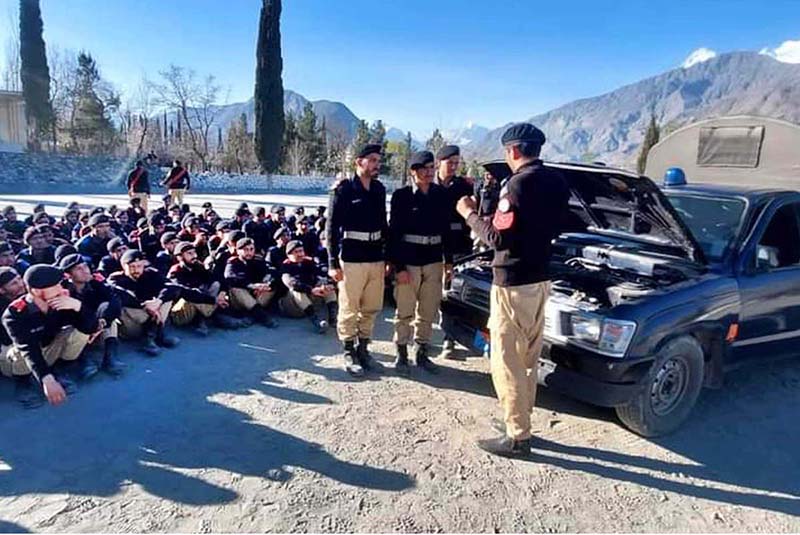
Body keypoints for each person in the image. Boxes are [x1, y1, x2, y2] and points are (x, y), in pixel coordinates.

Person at [455, 123, 570, 458]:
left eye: (507, 152)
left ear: (514, 151)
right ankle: (520, 421)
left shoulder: (517, 185)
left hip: (513, 282)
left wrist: (469, 214)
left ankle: (518, 436)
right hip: (540, 280)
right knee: (529, 358)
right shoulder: (557, 181)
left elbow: (497, 238)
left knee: (506, 360)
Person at [326, 143, 388, 377]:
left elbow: (383, 223)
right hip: (351, 257)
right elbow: (331, 228)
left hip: (375, 256)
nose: (376, 165)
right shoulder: (343, 190)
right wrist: (332, 263)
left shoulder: (379, 189)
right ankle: (349, 350)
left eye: (378, 161)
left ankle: (364, 348)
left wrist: (388, 256)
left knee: (371, 306)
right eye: (372, 160)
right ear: (358, 162)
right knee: (350, 306)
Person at [389, 150, 452, 376]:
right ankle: (401, 353)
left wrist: (449, 262)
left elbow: (446, 230)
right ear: (413, 172)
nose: (428, 173)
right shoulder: (402, 196)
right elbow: (394, 233)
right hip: (409, 261)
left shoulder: (441, 195)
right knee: (405, 309)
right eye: (423, 169)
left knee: (428, 309)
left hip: (434, 259)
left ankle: (422, 352)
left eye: (431, 168)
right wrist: (399, 267)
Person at [2, 265, 100, 408]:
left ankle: (59, 369)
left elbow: (90, 328)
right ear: (36, 291)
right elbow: (28, 349)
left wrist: (79, 307)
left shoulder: (62, 299)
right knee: (17, 351)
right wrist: (46, 378)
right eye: (55, 285)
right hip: (22, 358)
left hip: (48, 346)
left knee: (78, 333)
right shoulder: (15, 313)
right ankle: (23, 382)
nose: (61, 289)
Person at [435, 144, 475, 361]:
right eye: (449, 163)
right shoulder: (427, 184)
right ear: (438, 163)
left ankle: (449, 337)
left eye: (456, 163)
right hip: (433, 246)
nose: (453, 167)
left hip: (459, 246)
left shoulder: (463, 186)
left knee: (452, 292)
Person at [58, 254, 125, 378]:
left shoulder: (94, 282)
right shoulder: (63, 291)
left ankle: (110, 357)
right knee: (72, 327)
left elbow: (115, 300)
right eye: (79, 269)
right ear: (68, 275)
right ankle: (83, 360)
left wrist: (103, 320)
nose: (85, 270)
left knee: (107, 310)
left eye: (85, 266)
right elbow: (66, 318)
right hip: (77, 329)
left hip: (96, 327)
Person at [107, 249, 181, 356]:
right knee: (123, 306)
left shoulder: (150, 273)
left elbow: (172, 287)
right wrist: (145, 306)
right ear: (124, 266)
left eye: (139, 266)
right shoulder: (116, 278)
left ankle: (153, 336)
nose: (136, 270)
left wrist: (158, 302)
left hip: (152, 317)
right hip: (132, 325)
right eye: (132, 267)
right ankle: (153, 335)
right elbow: (119, 294)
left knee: (165, 300)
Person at [168, 242, 239, 334]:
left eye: (194, 252)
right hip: (182, 311)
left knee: (215, 285)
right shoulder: (175, 271)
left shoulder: (198, 266)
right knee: (192, 293)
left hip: (201, 302)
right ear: (180, 257)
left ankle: (205, 318)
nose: (194, 256)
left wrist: (222, 292)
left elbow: (217, 278)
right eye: (189, 253)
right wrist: (214, 300)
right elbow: (185, 292)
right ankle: (210, 317)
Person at [279, 240, 337, 333]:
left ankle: (333, 317)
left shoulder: (309, 261)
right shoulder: (285, 265)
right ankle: (316, 321)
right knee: (296, 290)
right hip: (292, 306)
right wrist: (311, 290)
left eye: (301, 251)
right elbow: (291, 283)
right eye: (296, 252)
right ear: (289, 255)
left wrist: (325, 284)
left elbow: (321, 274)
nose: (300, 254)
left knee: (326, 284)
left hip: (310, 300)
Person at [223, 238, 277, 327]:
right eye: (245, 250)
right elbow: (230, 277)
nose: (249, 252)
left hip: (256, 295)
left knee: (271, 287)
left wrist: (266, 283)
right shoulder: (233, 262)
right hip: (241, 298)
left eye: (251, 249)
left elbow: (272, 272)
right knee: (236, 288)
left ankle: (253, 314)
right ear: (238, 251)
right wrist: (252, 286)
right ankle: (263, 317)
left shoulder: (258, 260)